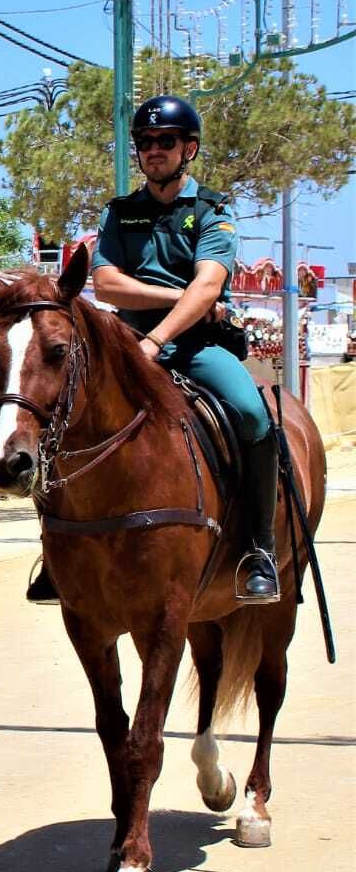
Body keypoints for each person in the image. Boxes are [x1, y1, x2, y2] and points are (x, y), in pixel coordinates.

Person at [27, 93, 278, 605]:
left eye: (166, 141)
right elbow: (108, 285)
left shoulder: (212, 211)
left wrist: (159, 338)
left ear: (189, 149)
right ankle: (55, 552)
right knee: (58, 410)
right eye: (145, 142)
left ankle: (259, 549)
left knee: (254, 415)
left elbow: (209, 286)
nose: (154, 150)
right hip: (126, 344)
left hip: (195, 346)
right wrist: (174, 299)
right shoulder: (120, 213)